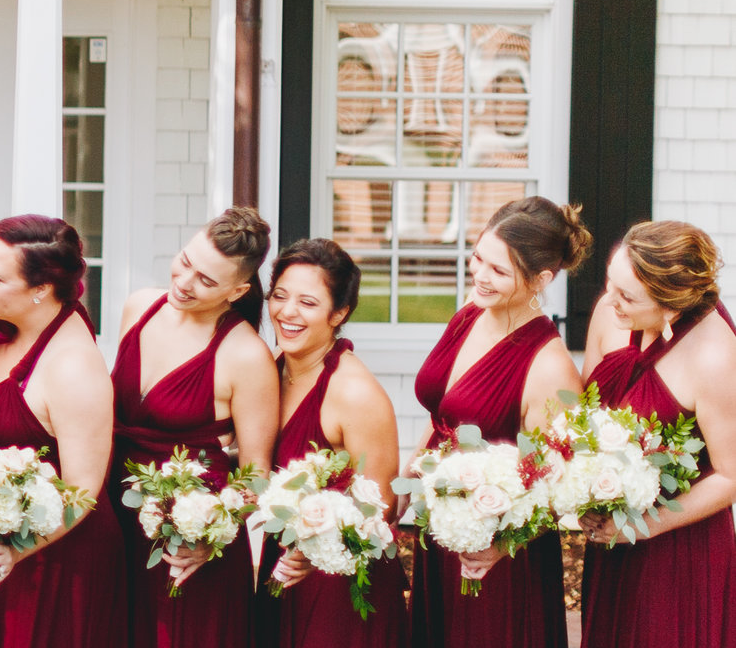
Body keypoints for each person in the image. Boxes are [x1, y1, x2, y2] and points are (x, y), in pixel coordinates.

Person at [404, 195, 585, 648]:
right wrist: (413, 468)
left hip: (497, 553)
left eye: (499, 271)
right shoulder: (470, 312)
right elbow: (444, 410)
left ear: (542, 279)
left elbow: (558, 483)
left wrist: (499, 546)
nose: (480, 276)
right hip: (441, 523)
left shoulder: (549, 366)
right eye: (479, 257)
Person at [110, 207, 278, 645]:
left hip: (186, 535)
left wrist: (209, 535)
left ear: (238, 290)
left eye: (206, 280)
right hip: (116, 515)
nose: (184, 283)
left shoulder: (245, 355)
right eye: (186, 261)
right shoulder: (139, 306)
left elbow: (258, 473)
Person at [0, 215, 121, 648]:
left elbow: (83, 488)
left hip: (53, 557)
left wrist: (15, 552)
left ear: (41, 290)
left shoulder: (73, 366)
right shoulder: (7, 329)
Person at [577, 221, 736, 647]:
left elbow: (731, 475)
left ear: (670, 305)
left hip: (677, 550)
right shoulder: (610, 312)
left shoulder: (715, 356)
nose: (611, 301)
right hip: (610, 542)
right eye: (611, 282)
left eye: (627, 296)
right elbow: (586, 420)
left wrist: (642, 525)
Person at [260, 237, 407, 647]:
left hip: (339, 583)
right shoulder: (272, 369)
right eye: (280, 296)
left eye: (307, 303)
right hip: (284, 562)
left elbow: (381, 507)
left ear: (338, 313)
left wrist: (316, 542)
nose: (287, 312)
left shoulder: (355, 394)